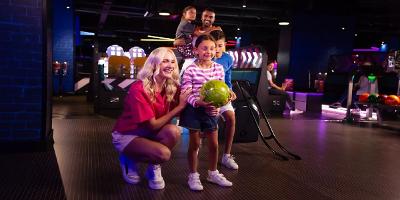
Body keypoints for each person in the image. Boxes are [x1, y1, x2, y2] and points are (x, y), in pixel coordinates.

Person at [112, 47, 191, 190]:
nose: (171, 66)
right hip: (128, 134)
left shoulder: (171, 86)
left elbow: (193, 97)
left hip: (148, 133)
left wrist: (217, 102)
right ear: (154, 64)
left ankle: (153, 167)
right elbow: (152, 125)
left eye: (173, 62)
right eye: (165, 61)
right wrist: (179, 108)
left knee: (174, 131)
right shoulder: (139, 88)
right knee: (164, 154)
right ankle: (129, 158)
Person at [180, 35, 233, 191]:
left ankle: (212, 173)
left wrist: (223, 101)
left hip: (210, 110)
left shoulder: (219, 68)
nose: (209, 51)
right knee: (195, 144)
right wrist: (198, 102)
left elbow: (221, 90)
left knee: (214, 145)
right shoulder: (190, 69)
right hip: (194, 109)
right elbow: (185, 91)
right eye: (204, 48)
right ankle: (193, 176)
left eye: (212, 48)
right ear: (196, 50)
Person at [209, 30, 238, 170]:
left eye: (221, 46)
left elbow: (228, 79)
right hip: (208, 96)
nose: (218, 49)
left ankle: (226, 155)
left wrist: (230, 90)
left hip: (223, 94)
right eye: (215, 46)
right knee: (210, 126)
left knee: (231, 118)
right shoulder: (207, 57)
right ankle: (197, 152)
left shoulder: (228, 59)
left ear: (225, 45)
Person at [180, 8, 223, 77]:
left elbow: (219, 49)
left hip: (208, 64)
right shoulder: (194, 30)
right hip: (191, 61)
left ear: (214, 19)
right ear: (201, 17)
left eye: (211, 17)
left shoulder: (217, 30)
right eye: (205, 16)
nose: (208, 18)